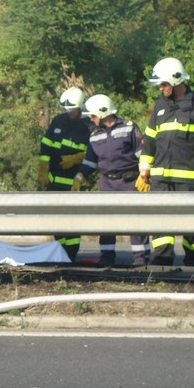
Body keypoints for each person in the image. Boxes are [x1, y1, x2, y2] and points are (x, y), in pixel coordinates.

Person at [138, 57, 194, 266]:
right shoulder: (160, 106)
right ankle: (162, 260)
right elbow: (149, 139)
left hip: (189, 178)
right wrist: (144, 167)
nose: (161, 88)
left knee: (191, 222)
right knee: (159, 221)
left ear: (177, 81)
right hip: (160, 179)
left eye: (164, 84)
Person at [72, 94, 150, 266]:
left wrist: (145, 173)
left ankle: (140, 258)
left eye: (93, 116)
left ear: (102, 113)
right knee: (106, 221)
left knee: (135, 221)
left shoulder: (129, 128)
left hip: (129, 181)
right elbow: (90, 161)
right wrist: (80, 176)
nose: (91, 119)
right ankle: (107, 258)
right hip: (107, 182)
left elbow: (142, 155)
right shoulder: (94, 135)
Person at [37, 86, 92, 262]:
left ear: (80, 107)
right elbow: (46, 144)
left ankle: (71, 254)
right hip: (54, 181)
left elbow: (95, 152)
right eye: (67, 109)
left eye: (73, 109)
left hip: (74, 183)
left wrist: (78, 158)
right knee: (55, 220)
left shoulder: (88, 126)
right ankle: (62, 251)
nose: (69, 112)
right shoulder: (59, 121)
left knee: (73, 222)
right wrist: (43, 166)